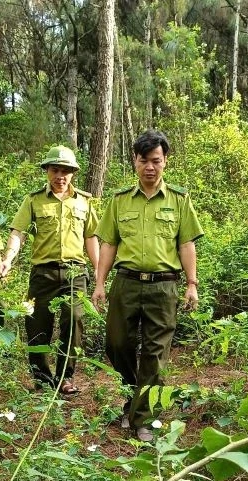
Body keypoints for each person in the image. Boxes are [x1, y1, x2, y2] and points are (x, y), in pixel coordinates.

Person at [92, 130, 203, 442]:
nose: (150, 167)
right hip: (125, 283)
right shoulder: (119, 201)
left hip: (164, 288)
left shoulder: (179, 201)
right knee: (116, 344)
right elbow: (109, 244)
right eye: (144, 161)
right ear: (135, 162)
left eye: (156, 160)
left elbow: (186, 245)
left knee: (154, 353)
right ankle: (134, 397)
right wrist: (99, 283)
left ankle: (142, 418)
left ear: (165, 161)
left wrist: (191, 284)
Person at [0, 145, 99, 394]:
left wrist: (100, 273)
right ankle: (42, 379)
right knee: (36, 325)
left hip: (75, 274)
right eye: (55, 170)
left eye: (65, 171)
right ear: (47, 171)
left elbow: (91, 237)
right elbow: (18, 232)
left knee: (74, 321)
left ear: (73, 173)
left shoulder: (84, 202)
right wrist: (8, 258)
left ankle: (65, 377)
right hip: (42, 274)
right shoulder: (33, 200)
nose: (60, 176)